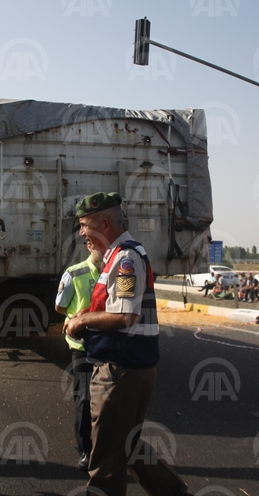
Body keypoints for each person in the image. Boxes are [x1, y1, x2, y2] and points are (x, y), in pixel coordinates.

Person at [63, 192, 190, 496]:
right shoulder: (117, 257)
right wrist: (89, 313)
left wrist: (82, 321)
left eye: (85, 225)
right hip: (130, 367)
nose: (82, 233)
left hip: (120, 369)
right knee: (128, 445)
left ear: (105, 223)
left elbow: (125, 316)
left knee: (106, 455)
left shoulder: (125, 259)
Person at [54, 241, 103, 472]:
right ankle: (85, 450)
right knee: (84, 397)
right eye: (97, 245)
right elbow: (60, 306)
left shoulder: (117, 272)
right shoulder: (74, 274)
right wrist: (78, 316)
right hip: (82, 346)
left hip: (109, 345)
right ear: (89, 246)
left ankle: (107, 447)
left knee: (108, 398)